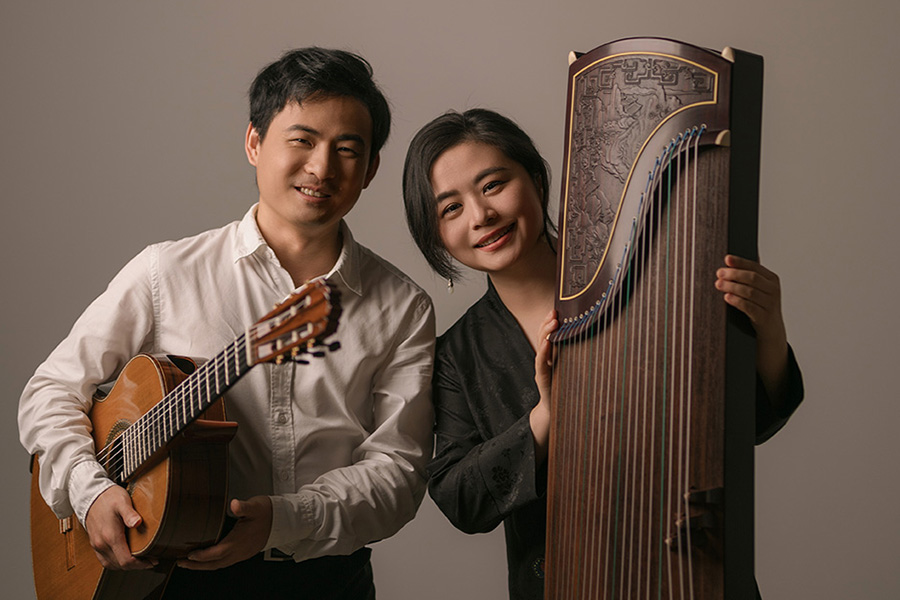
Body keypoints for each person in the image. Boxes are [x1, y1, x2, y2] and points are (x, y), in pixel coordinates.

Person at [19, 47, 435, 599]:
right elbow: (49, 391)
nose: (322, 167)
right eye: (302, 140)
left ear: (371, 170)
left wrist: (283, 520)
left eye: (347, 149)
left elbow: (398, 473)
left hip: (327, 580)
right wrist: (90, 490)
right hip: (169, 579)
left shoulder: (402, 308)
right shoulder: (166, 272)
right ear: (254, 143)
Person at [402, 108, 803, 600]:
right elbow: (461, 501)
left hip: (691, 569)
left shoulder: (646, 272)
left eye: (492, 185)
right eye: (450, 208)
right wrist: (547, 416)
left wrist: (768, 331)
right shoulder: (454, 354)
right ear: (436, 235)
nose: (481, 216)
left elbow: (749, 424)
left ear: (536, 178)